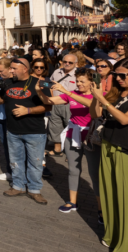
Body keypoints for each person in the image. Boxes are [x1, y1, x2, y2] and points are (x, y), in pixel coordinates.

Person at [88, 57, 128, 250]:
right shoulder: (116, 93)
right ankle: (113, 234)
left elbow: (126, 119)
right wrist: (96, 96)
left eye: (123, 75)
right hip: (108, 146)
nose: (118, 78)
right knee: (110, 194)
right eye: (116, 74)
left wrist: (103, 100)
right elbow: (95, 114)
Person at [36, 69, 101, 215]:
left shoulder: (99, 94)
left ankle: (100, 208)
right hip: (73, 134)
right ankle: (72, 202)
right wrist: (40, 91)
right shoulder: (73, 93)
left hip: (91, 137)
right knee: (73, 170)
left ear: (92, 82)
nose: (78, 84)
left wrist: (68, 92)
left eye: (82, 81)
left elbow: (92, 105)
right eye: (77, 81)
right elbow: (49, 101)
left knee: (94, 173)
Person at [0, 58, 51, 204]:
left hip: (34, 131)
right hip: (13, 130)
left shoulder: (40, 83)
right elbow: (0, 101)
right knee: (15, 161)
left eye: (14, 68)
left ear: (25, 69)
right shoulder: (8, 82)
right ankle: (18, 186)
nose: (11, 70)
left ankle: (35, 190)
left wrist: (28, 110)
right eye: (10, 68)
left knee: (35, 163)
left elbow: (49, 106)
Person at [48, 54, 78, 157]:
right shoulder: (57, 71)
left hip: (70, 104)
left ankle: (70, 152)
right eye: (65, 61)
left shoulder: (79, 74)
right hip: (55, 103)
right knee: (55, 126)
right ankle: (57, 150)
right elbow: (50, 85)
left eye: (70, 62)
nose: (67, 64)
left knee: (70, 128)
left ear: (76, 64)